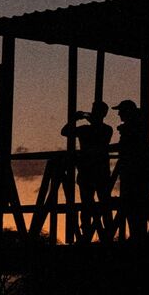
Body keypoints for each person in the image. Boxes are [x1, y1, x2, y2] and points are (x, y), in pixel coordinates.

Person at [60, 100, 113, 241]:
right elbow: (64, 132)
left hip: (88, 171)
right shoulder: (107, 129)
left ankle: (89, 234)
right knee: (101, 202)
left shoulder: (87, 129)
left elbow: (65, 131)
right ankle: (105, 233)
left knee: (89, 203)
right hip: (99, 171)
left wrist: (74, 119)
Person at [113, 100, 149, 241]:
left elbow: (127, 146)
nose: (119, 113)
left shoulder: (131, 128)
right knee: (136, 204)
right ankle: (140, 235)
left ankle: (138, 236)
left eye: (121, 111)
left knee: (133, 204)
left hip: (135, 172)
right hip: (139, 172)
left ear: (127, 112)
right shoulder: (137, 126)